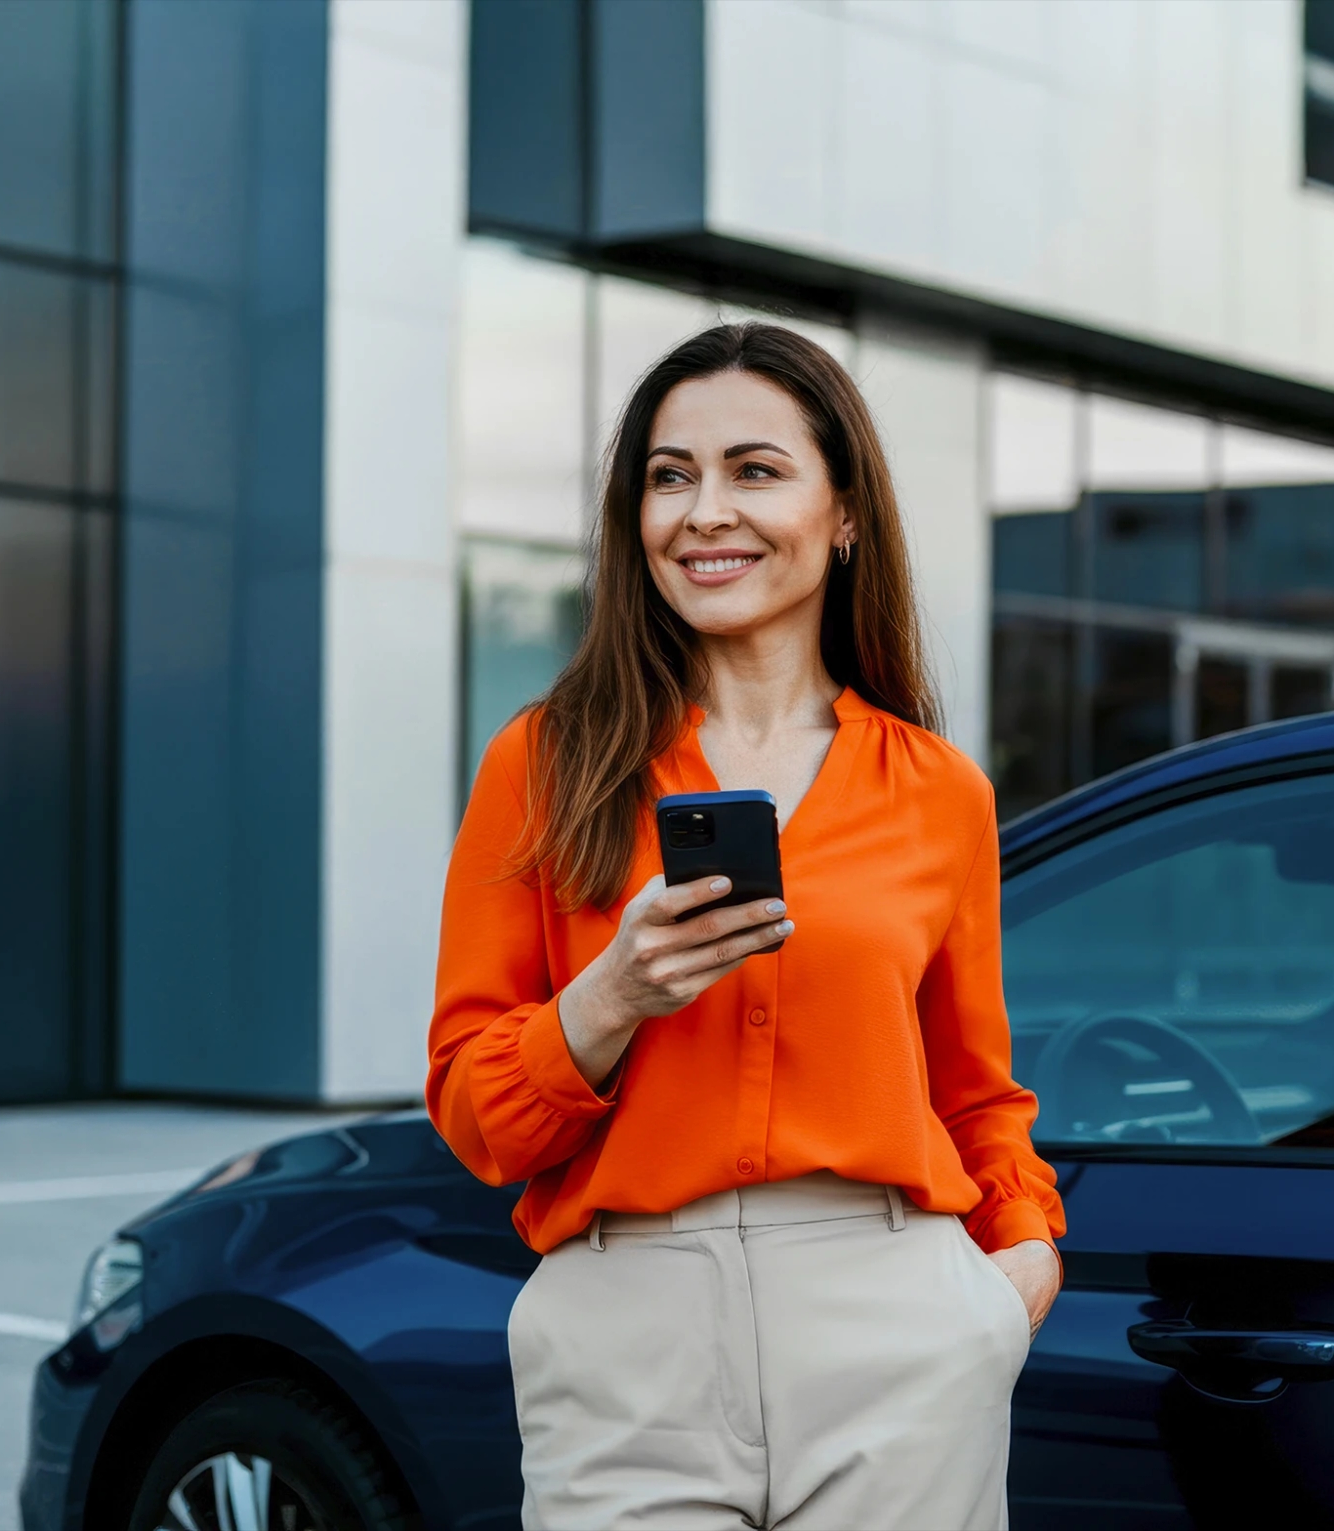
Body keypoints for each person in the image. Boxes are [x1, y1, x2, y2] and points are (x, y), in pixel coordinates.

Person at [427, 322, 1065, 1531]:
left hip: (897, 1323)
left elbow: (975, 1092)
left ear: (844, 515)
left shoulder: (937, 790)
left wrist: (1019, 1259)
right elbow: (472, 1112)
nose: (702, 511)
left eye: (753, 470)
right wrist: (609, 997)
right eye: (669, 477)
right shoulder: (543, 763)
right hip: (626, 1337)